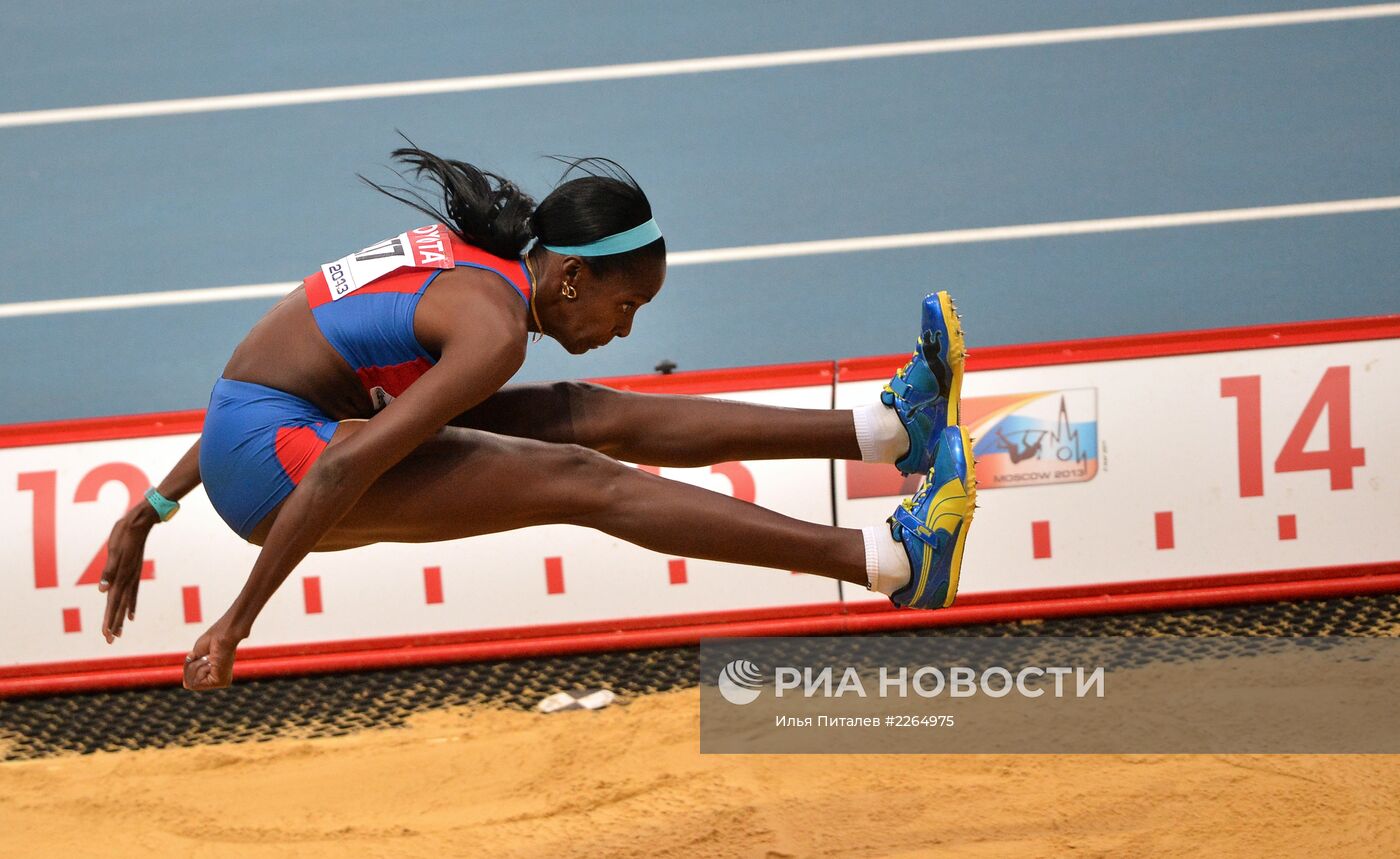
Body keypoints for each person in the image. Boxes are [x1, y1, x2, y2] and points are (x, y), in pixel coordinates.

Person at [96, 147, 976, 692]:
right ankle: (893, 563)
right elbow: (336, 467)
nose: (624, 330)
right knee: (579, 479)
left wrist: (155, 505)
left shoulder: (484, 272)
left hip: (251, 433)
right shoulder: (491, 332)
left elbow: (255, 382)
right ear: (570, 280)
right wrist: (236, 622)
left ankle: (883, 430)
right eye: (625, 308)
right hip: (276, 470)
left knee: (586, 413)